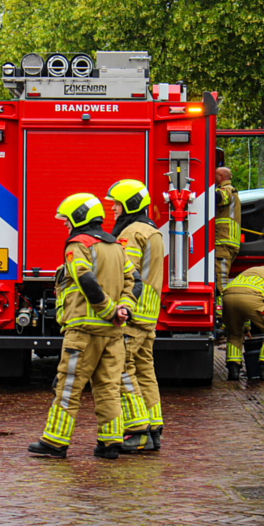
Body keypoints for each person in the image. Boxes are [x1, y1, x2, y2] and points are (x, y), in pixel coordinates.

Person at [28, 193, 140, 460]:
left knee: (68, 386)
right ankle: (110, 443)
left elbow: (84, 279)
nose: (65, 224)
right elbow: (134, 280)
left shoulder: (78, 245)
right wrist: (124, 309)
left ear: (79, 217)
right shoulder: (115, 245)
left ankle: (55, 442)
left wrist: (110, 311)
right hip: (113, 333)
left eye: (67, 219)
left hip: (84, 331)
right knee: (108, 386)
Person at [106, 179, 165, 453]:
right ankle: (154, 426)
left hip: (132, 315)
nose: (113, 210)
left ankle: (137, 431)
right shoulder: (152, 230)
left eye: (116, 204)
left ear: (129, 204)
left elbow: (125, 272)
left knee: (122, 371)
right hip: (148, 315)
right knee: (145, 371)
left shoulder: (131, 233)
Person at [221, 260, 264, 381]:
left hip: (228, 298)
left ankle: (233, 369)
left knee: (235, 334)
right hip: (252, 298)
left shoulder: (253, 270)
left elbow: (242, 311)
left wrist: (247, 328)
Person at [214, 166, 241, 306]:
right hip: (227, 242)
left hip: (223, 243)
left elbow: (220, 198)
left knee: (221, 283)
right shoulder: (231, 190)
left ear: (221, 177)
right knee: (220, 280)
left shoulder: (227, 189)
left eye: (215, 175)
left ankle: (222, 317)